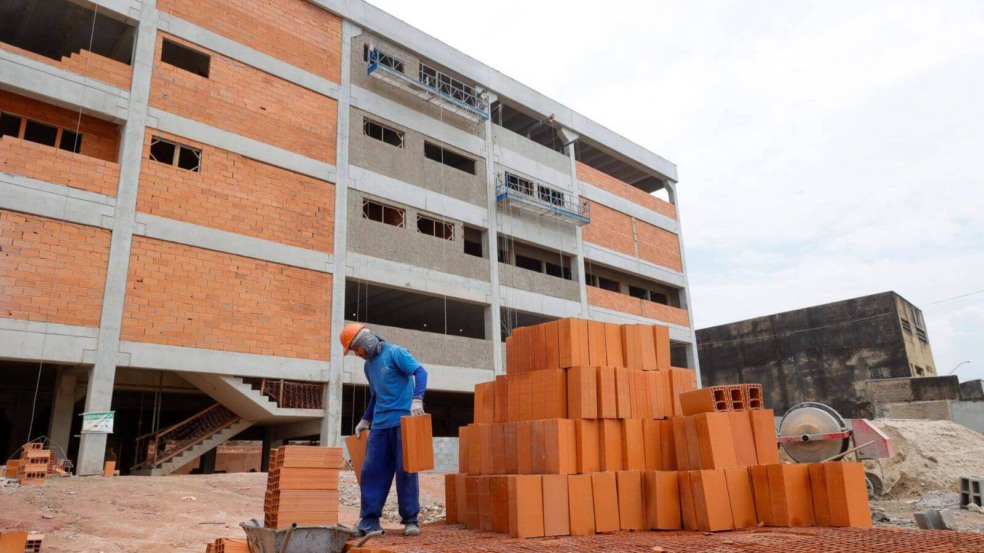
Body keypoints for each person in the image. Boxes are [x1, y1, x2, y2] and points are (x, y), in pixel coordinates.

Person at [340, 322, 428, 537]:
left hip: (402, 422)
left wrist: (417, 399)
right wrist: (365, 419)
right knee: (371, 471)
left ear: (364, 342)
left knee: (406, 471)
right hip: (380, 425)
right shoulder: (368, 366)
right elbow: (375, 395)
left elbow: (420, 371)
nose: (357, 354)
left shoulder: (395, 353)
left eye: (355, 349)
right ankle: (369, 521)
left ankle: (410, 520)